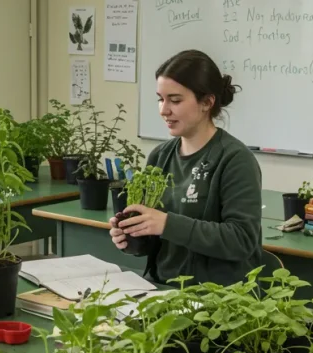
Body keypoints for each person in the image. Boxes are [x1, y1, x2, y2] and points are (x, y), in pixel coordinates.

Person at [109, 49, 262, 286]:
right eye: (161, 98)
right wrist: (131, 237)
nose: (164, 110)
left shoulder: (235, 159)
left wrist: (166, 223)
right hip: (159, 289)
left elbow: (241, 240)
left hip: (214, 300)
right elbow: (159, 241)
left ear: (207, 102)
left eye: (175, 100)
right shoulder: (160, 157)